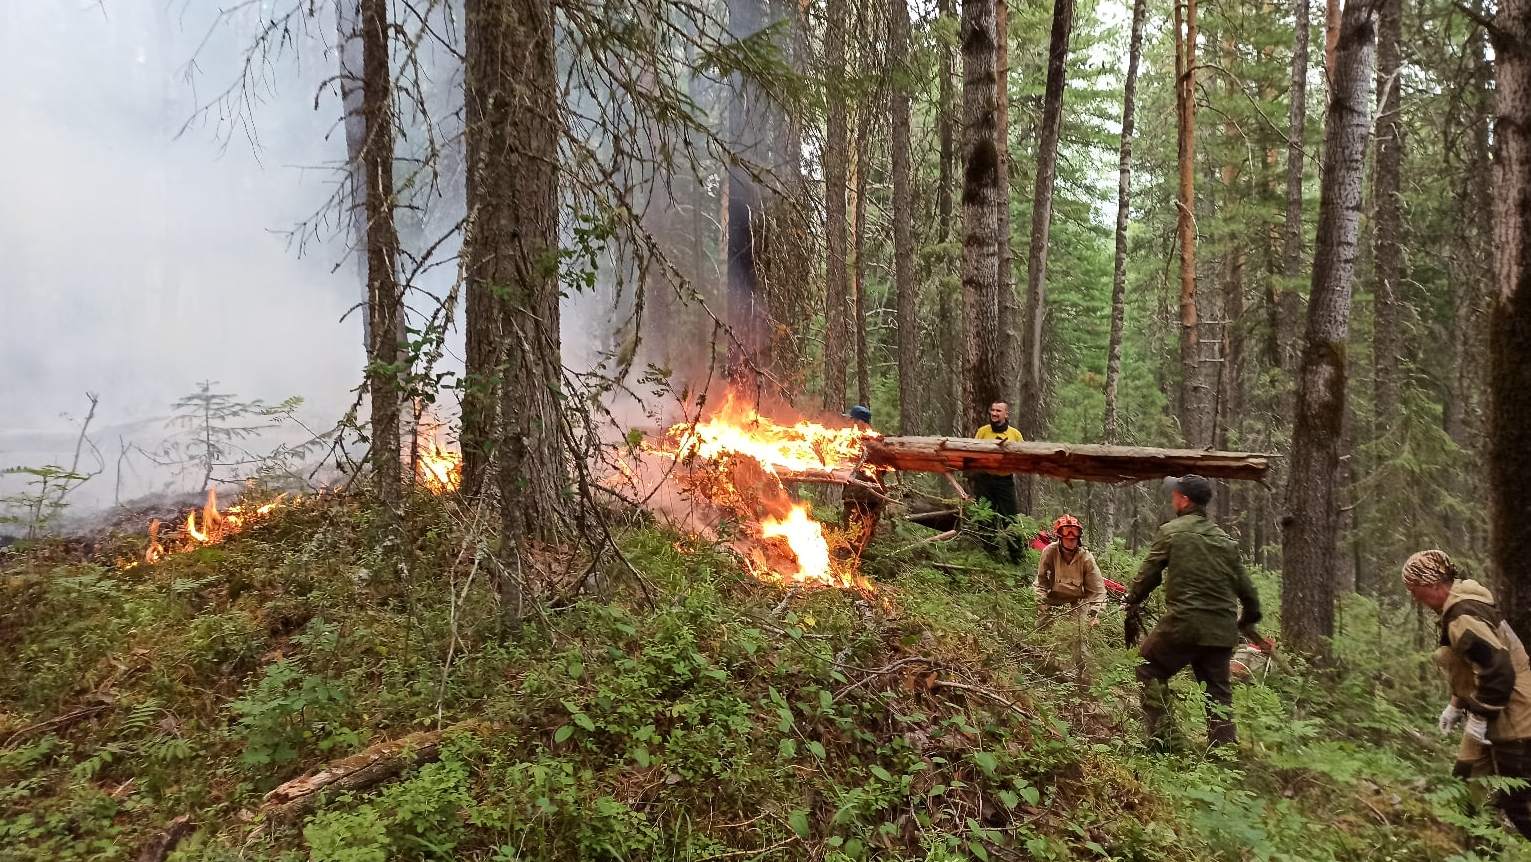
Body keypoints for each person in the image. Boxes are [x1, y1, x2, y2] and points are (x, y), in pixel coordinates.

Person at [1124, 474, 1262, 752]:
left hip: (1183, 624)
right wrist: (1245, 622)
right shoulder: (1225, 541)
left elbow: (1149, 573)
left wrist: (1133, 599)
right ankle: (1223, 756)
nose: (1172, 497)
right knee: (1218, 695)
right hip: (1221, 632)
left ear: (1184, 499)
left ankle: (1163, 741)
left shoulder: (1172, 531)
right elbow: (1249, 593)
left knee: (1149, 669)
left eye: (1175, 493)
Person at [1402, 549, 1531, 838]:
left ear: (1435, 585)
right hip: (1492, 707)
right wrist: (1456, 705)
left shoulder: (1463, 616)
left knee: (1520, 801)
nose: (1415, 598)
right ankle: (1474, 849)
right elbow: (1472, 665)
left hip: (1516, 714)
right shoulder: (1457, 607)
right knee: (1465, 783)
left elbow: (1498, 671)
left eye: (1416, 590)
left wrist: (1481, 715)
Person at [971, 402, 1024, 563]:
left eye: (998, 411)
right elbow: (972, 452)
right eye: (992, 410)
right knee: (985, 518)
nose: (994, 413)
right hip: (984, 480)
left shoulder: (1015, 434)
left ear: (1006, 414)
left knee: (1010, 518)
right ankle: (990, 557)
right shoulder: (982, 432)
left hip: (1004, 482)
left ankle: (1016, 558)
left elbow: (1022, 457)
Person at [1035, 514, 1107, 623]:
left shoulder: (1086, 558)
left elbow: (1098, 591)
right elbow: (1041, 583)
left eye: (1074, 539)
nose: (1071, 541)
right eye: (1067, 539)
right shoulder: (1049, 552)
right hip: (1053, 599)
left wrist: (1095, 614)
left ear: (1078, 538)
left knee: (1077, 632)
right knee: (1042, 627)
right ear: (1060, 538)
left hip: (1077, 602)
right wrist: (1042, 604)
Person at [841, 405, 884, 557]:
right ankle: (853, 565)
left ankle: (847, 567)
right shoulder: (878, 440)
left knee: (854, 532)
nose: (850, 422)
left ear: (860, 421)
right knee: (863, 534)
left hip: (860, 495)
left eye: (852, 419)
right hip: (873, 495)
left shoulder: (865, 441)